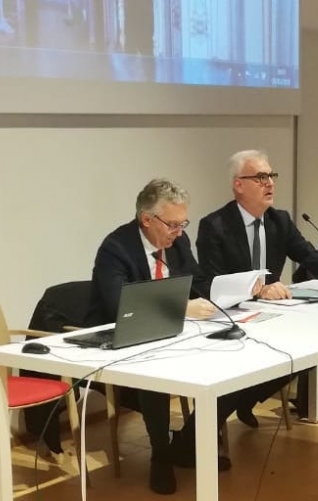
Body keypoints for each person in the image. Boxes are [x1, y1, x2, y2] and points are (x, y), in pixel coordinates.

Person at [196, 150, 318, 428]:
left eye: (271, 176)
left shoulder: (279, 220)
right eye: (260, 177)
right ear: (238, 185)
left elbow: (308, 255)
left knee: (304, 353)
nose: (270, 183)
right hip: (230, 316)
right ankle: (211, 426)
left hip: (270, 315)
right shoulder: (215, 226)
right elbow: (211, 282)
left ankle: (245, 400)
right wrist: (256, 290)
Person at [87, 178, 238, 495]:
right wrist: (181, 308)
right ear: (146, 219)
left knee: (233, 361)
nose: (179, 232)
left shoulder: (178, 243)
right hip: (126, 343)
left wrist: (234, 294)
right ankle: (161, 455)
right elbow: (121, 305)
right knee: (155, 373)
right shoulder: (116, 248)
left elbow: (199, 283)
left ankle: (188, 444)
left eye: (183, 224)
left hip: (177, 334)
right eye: (172, 225)